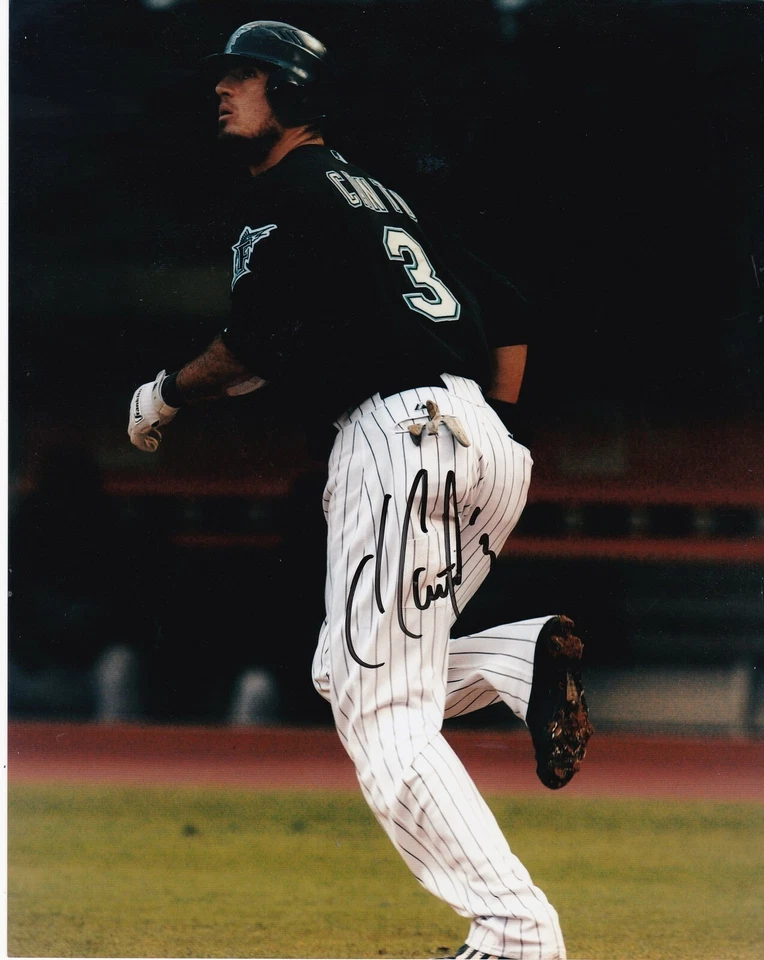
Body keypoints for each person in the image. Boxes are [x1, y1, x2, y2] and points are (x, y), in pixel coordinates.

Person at [127, 20, 593, 960]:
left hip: (395, 440)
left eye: (247, 75)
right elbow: (509, 309)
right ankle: (516, 662)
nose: (223, 89)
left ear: (294, 94)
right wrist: (500, 430)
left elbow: (249, 350)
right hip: (483, 444)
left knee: (381, 712)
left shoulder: (285, 194)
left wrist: (165, 394)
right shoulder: (382, 198)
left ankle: (516, 934)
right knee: (350, 677)